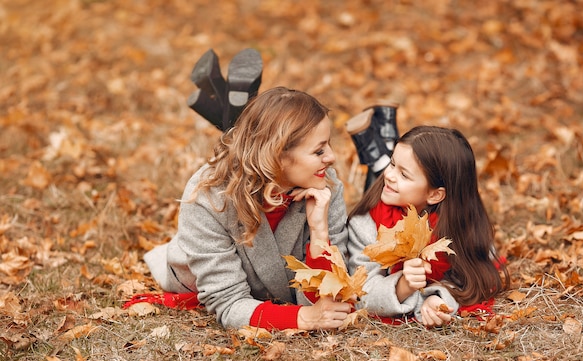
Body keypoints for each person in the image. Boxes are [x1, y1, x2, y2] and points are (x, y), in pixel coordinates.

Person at [143, 86, 352, 331]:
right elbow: (229, 304)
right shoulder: (208, 198)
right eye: (319, 150)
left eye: (328, 145)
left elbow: (326, 302)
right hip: (196, 276)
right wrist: (305, 318)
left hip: (271, 292)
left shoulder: (325, 184)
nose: (332, 157)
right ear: (278, 155)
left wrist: (319, 233)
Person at [347, 126, 509, 326]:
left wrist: (438, 297)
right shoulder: (365, 226)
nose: (389, 175)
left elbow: (477, 277)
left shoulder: (460, 226)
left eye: (404, 175)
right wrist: (404, 286)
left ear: (434, 195)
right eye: (392, 163)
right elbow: (362, 293)